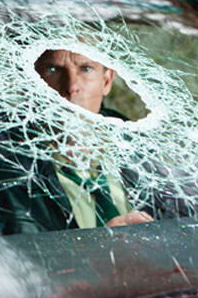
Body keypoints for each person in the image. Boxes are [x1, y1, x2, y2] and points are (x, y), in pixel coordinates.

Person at [32, 49, 153, 228]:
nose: (71, 87)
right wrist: (95, 251)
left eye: (86, 69)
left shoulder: (141, 153)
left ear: (106, 81)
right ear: (30, 81)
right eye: (52, 70)